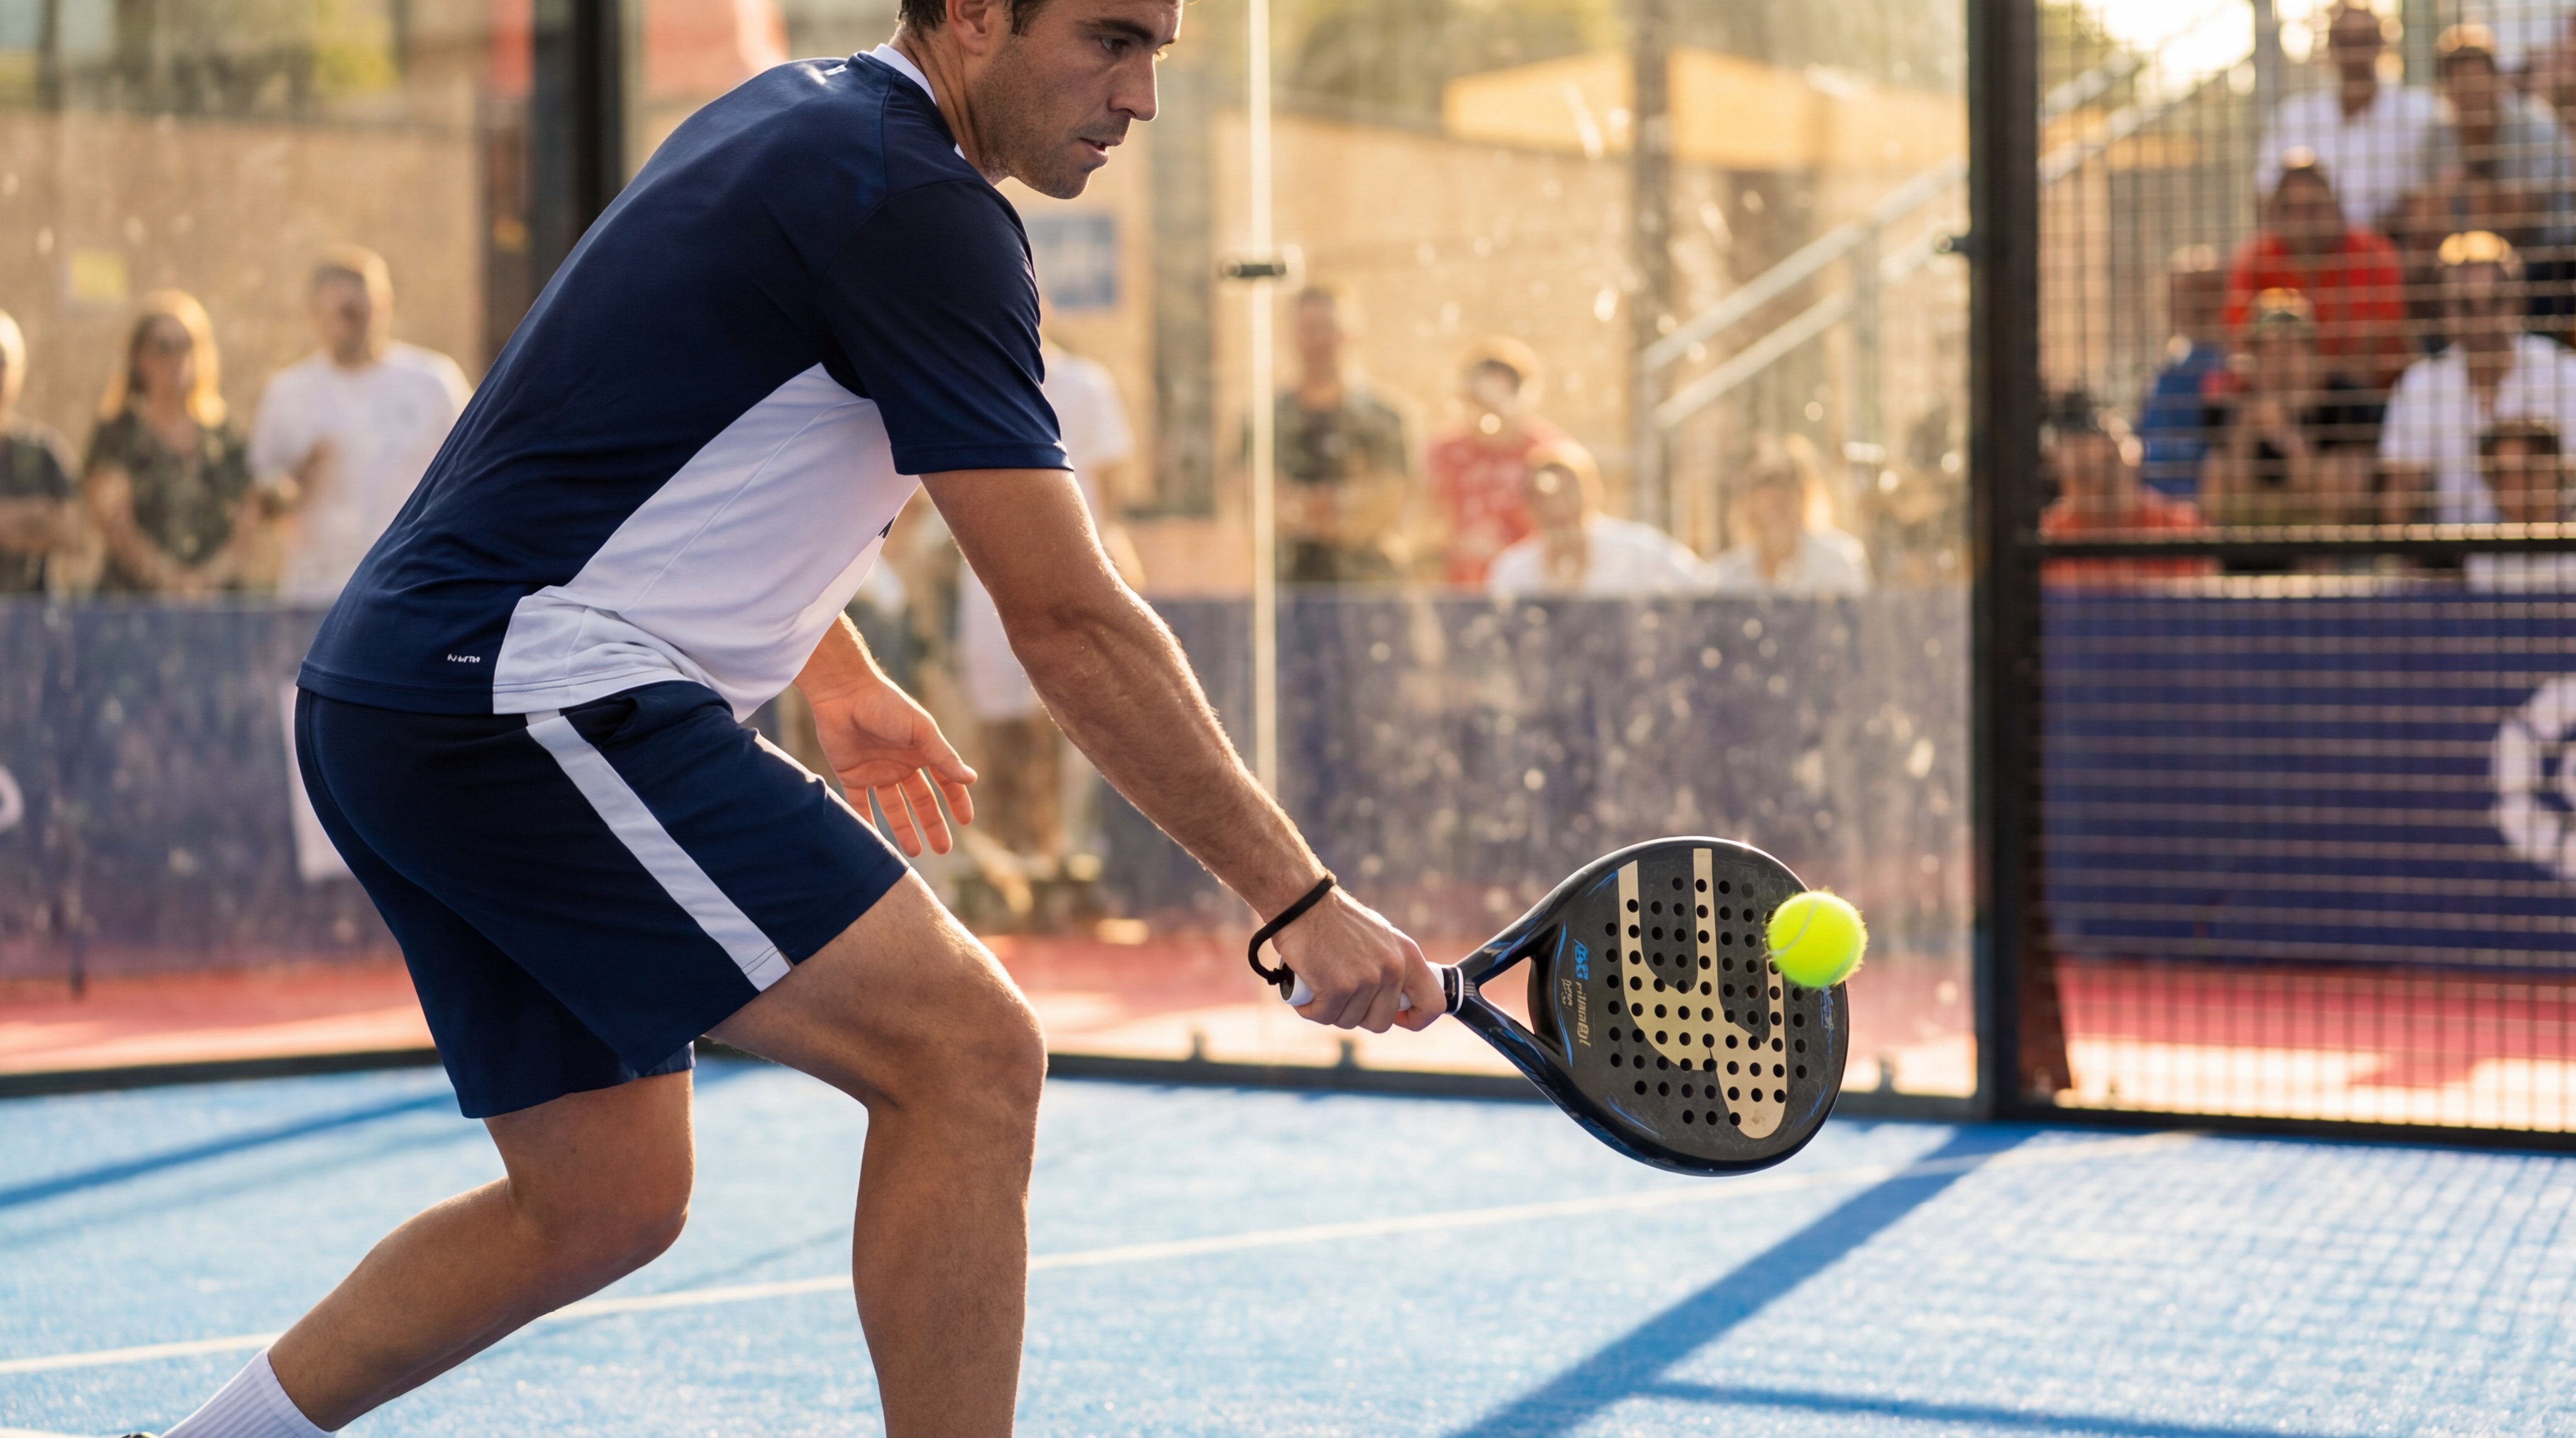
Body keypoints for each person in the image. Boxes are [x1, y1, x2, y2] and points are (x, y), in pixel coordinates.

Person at [133, 4, 1438, 1437]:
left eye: (1158, 55)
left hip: (405, 697)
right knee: (967, 1053)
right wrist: (1296, 895)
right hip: (518, 696)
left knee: (602, 1199)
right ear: (980, 16)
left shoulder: (799, 124)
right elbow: (1067, 620)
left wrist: (834, 666)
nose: (1138, 95)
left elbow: (637, 434)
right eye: (1108, 39)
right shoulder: (915, 202)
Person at [950, 335, 1141, 890]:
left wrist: (1118, 567)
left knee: (1069, 720)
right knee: (1001, 724)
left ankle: (1064, 858)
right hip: (985, 578)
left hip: (1077, 576)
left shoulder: (1088, 387)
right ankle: (1013, 864)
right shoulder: (970, 380)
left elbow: (1111, 495)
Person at [250, 247, 472, 605]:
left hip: (411, 588)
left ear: (386, 304)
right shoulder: (288, 393)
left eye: (359, 308)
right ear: (314, 314)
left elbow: (474, 473)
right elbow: (261, 497)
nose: (350, 321)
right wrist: (292, 484)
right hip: (317, 595)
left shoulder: (434, 383)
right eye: (338, 310)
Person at [2380, 231, 2576, 521]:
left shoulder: (2564, 373)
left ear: (2518, 301)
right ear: (2443, 309)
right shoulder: (2420, 384)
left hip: (2557, 551)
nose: (2481, 318)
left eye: (2495, 301)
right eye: (2465, 305)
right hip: (2453, 556)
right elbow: (2400, 492)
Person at [83, 289, 258, 597]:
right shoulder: (118, 436)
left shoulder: (224, 438)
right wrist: (171, 581)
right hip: (134, 607)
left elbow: (247, 520)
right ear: (139, 357)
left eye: (186, 345)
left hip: (215, 610)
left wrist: (205, 581)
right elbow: (113, 523)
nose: (176, 358)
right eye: (163, 347)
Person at [2412, 25, 2576, 321]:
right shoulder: (2436, 137)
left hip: (2547, 257)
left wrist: (2466, 178)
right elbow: (2425, 225)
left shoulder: (2534, 127)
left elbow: (2516, 223)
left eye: (2477, 82)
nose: (2470, 95)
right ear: (2445, 89)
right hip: (2464, 262)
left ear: (2496, 80)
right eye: (2459, 85)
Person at [2223, 153, 2409, 394]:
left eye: (2315, 207)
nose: (2305, 220)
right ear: (2276, 213)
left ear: (2336, 206)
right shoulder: (2253, 261)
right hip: (2276, 396)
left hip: (2361, 394)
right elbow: (2242, 348)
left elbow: (2381, 343)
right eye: (2292, 209)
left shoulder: (2374, 254)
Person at [2201, 291, 2380, 535]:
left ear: (2314, 355)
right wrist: (2244, 436)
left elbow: (2339, 503)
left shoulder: (2345, 399)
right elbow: (2216, 502)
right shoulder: (2237, 403)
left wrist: (2284, 436)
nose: (2279, 364)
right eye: (2266, 351)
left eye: (2289, 349)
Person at [2255, 2, 2438, 235]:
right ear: (2331, 46)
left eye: (2364, 40)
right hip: (2312, 252)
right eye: (2345, 41)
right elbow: (2265, 198)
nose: (2355, 53)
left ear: (2381, 43)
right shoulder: (2293, 116)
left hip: (2395, 248)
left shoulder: (2420, 112)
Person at [1270, 283, 1411, 583]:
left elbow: (1388, 504)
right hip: (1287, 589)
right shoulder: (1267, 422)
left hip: (1370, 591)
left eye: (1328, 328)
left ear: (1352, 333)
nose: (1319, 340)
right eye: (1308, 329)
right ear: (1292, 336)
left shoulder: (1385, 419)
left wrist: (1304, 509)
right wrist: (1341, 507)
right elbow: (1254, 504)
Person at [1420, 336, 1562, 586]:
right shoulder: (1445, 452)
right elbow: (1418, 521)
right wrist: (1451, 542)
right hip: (1456, 592)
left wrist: (1508, 552)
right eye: (1478, 402)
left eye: (1498, 402)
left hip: (1526, 588)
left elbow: (1566, 527)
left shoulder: (1547, 453)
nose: (1488, 414)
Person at [1487, 438, 1706, 597]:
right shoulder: (1513, 571)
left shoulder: (1639, 551)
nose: (1558, 509)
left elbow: (1703, 591)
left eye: (1570, 494)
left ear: (1592, 493)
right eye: (1543, 499)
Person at [2037, 394, 2214, 586]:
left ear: (2131, 464)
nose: (2098, 488)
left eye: (2109, 466)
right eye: (2083, 474)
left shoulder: (2183, 530)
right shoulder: (2047, 535)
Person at [1704, 435, 1874, 596]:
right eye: (1765, 482)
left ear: (1804, 495)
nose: (1776, 494)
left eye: (1786, 482)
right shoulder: (1726, 576)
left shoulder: (1840, 562)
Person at [2136, 246, 2229, 498]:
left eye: (2208, 290)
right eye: (2187, 293)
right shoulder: (2163, 372)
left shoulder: (2235, 369)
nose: (2197, 304)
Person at [0, 309, 83, 594]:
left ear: (19, 370)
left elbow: (74, 533)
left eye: (1, 361)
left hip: (29, 621)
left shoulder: (41, 451)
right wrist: (31, 516)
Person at [2468, 417, 2576, 588]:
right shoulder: (2476, 541)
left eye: (2524, 471)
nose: (2511, 483)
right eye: (2501, 473)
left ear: (2554, 469)